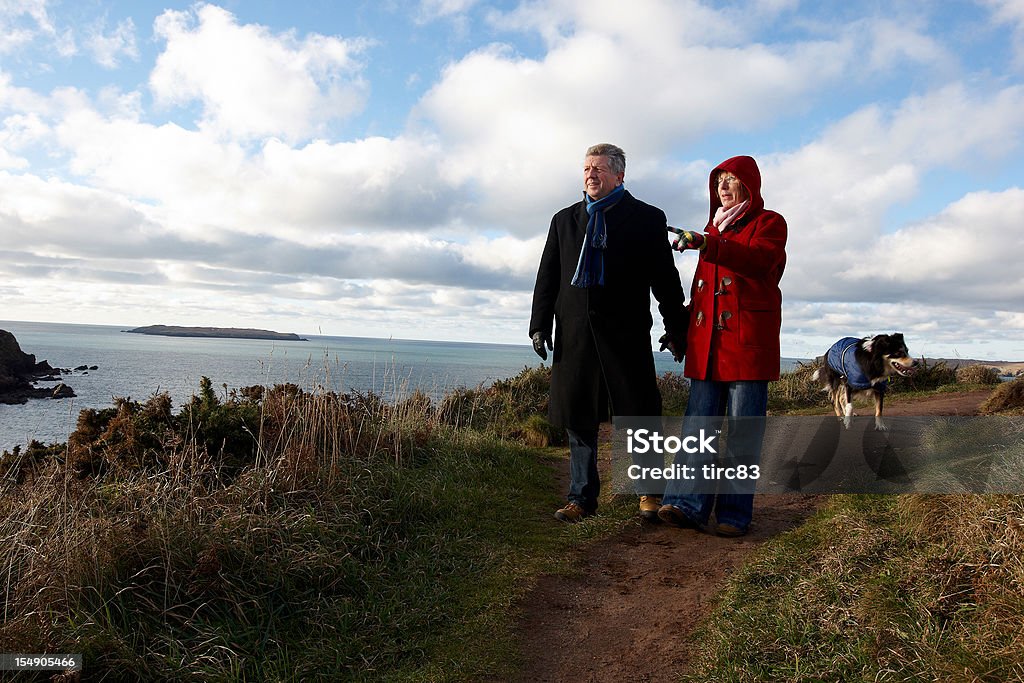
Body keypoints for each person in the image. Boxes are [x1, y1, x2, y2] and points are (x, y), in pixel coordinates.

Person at [530, 143, 687, 524]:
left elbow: (664, 279)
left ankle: (649, 491)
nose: (591, 175)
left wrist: (676, 327)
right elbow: (548, 277)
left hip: (626, 334)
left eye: (599, 168)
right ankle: (581, 498)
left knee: (638, 415)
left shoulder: (646, 218)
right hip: (577, 336)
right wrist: (539, 325)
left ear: (619, 175)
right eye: (586, 168)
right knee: (579, 418)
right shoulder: (563, 220)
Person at [657, 155, 787, 537]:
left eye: (731, 180)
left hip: (746, 344)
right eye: (719, 182)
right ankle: (686, 505)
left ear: (749, 185)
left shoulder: (769, 223)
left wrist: (707, 244)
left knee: (743, 431)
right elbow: (703, 293)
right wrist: (681, 331)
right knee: (698, 427)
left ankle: (733, 514)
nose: (723, 187)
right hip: (707, 345)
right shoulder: (711, 230)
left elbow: (760, 262)